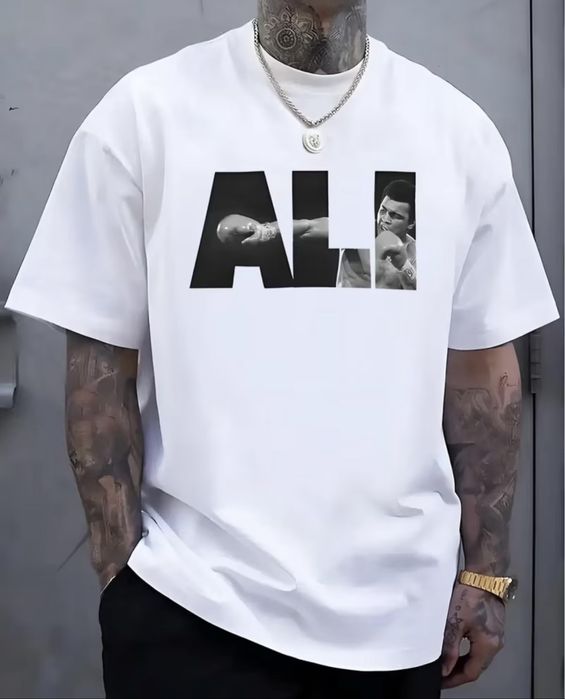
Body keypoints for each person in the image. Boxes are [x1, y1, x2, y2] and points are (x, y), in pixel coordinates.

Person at [4, 1, 559, 698]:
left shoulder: (455, 132)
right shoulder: (146, 115)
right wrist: (125, 581)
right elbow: (97, 370)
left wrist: (484, 571)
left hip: (398, 622)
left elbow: (481, 373)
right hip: (191, 610)